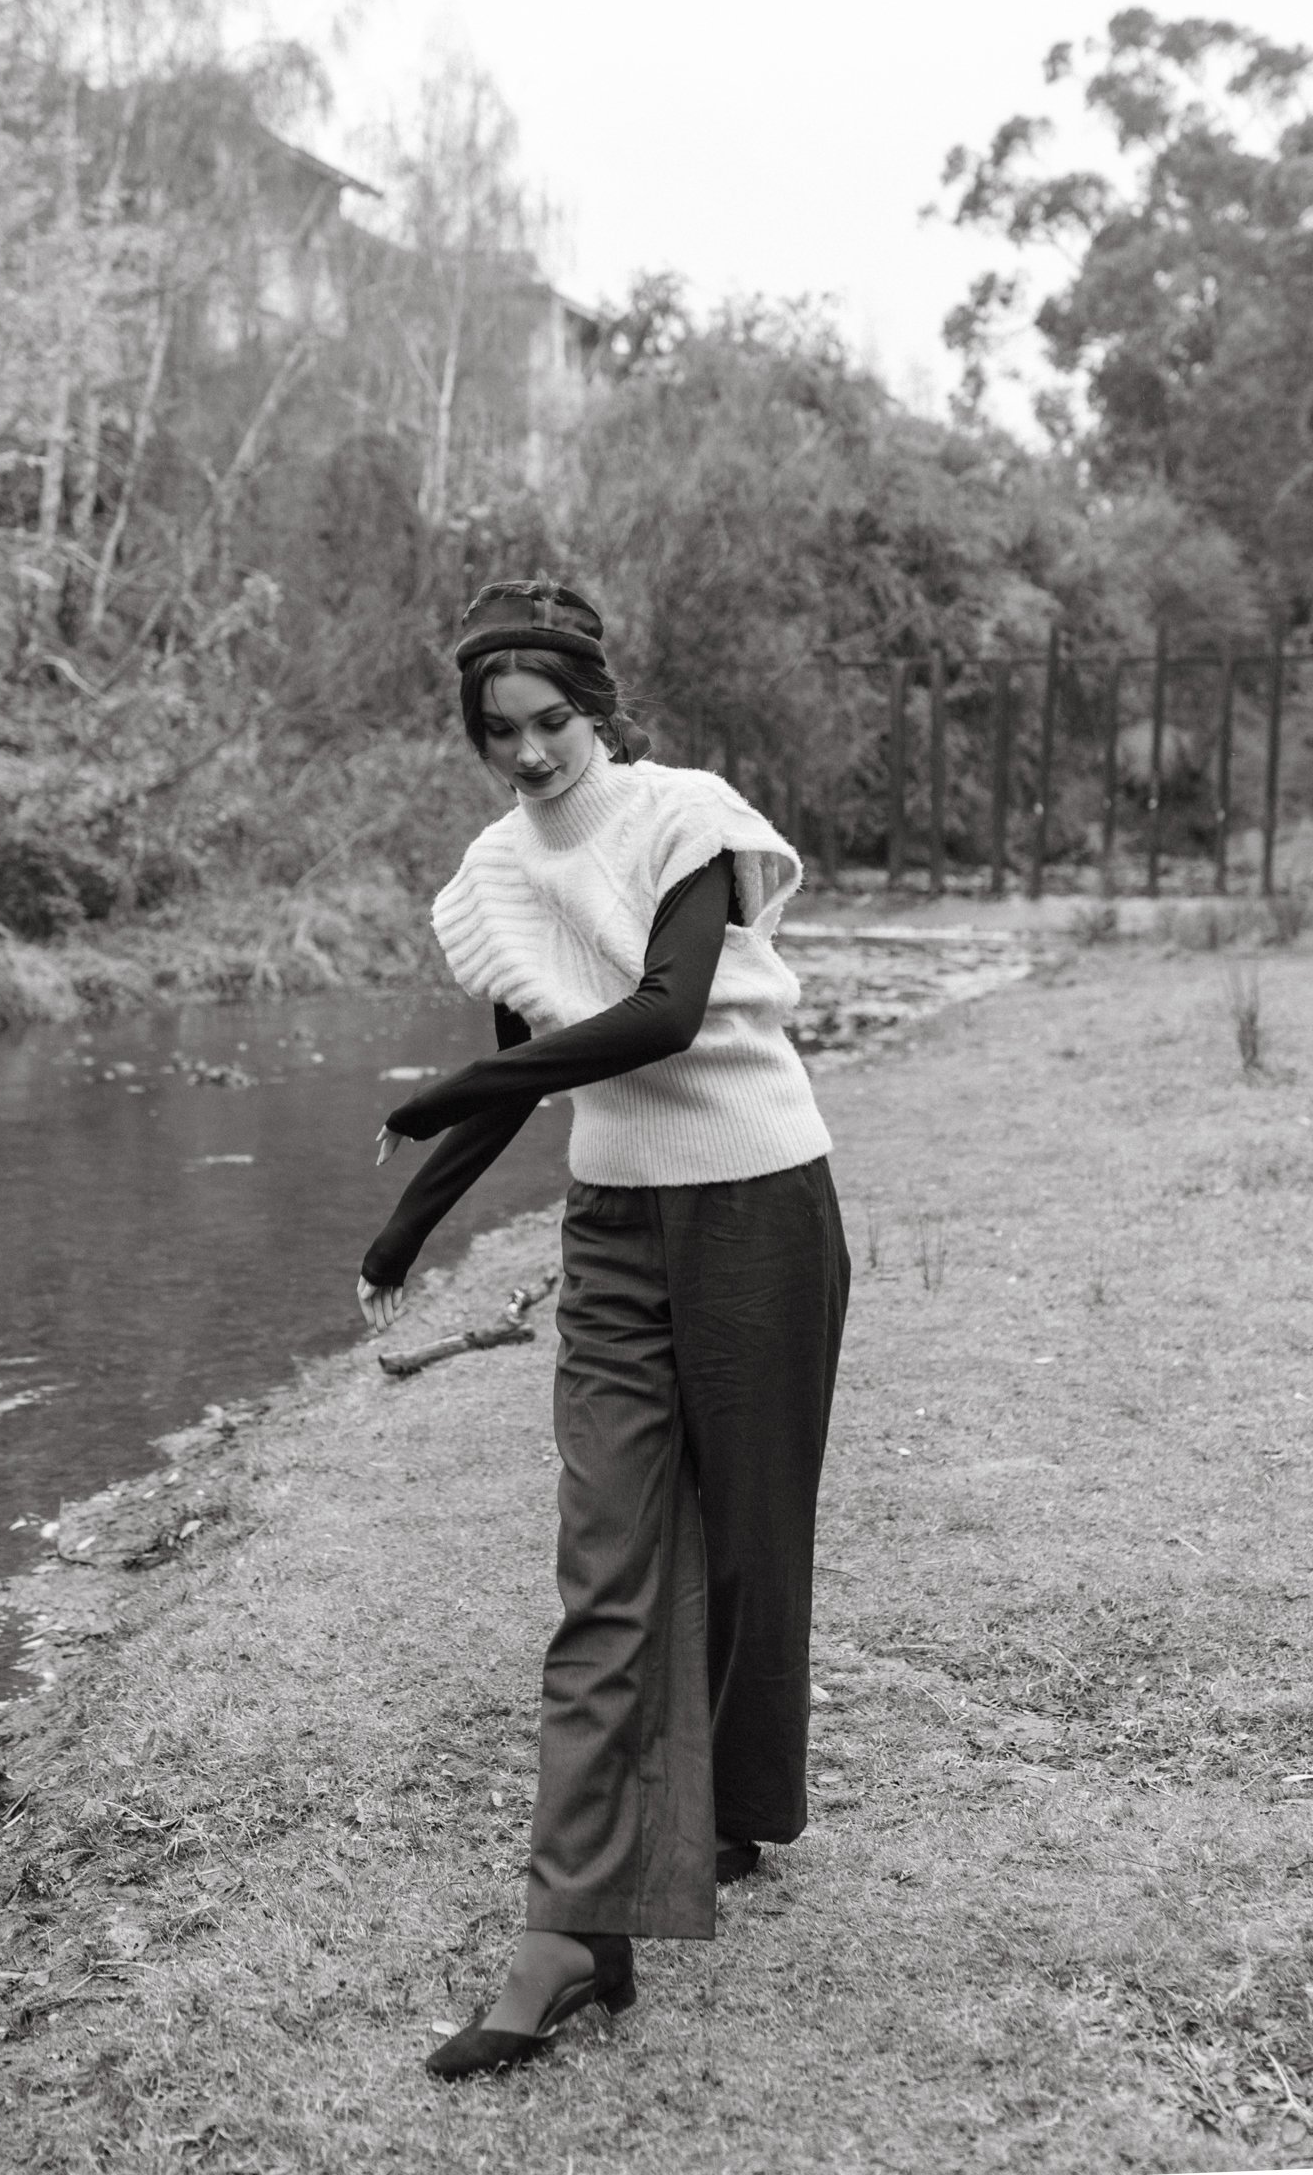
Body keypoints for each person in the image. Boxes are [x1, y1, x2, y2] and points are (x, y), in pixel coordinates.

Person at [357, 576, 850, 2079]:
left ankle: (737, 1804)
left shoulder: (683, 814)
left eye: (551, 722)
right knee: (605, 1568)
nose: (527, 753)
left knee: (754, 1537)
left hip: (759, 1193)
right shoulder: (499, 869)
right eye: (498, 730)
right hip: (617, 1229)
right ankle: (572, 1931)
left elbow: (661, 1012)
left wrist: (441, 1092)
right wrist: (408, 1224)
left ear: (598, 709)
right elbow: (531, 1061)